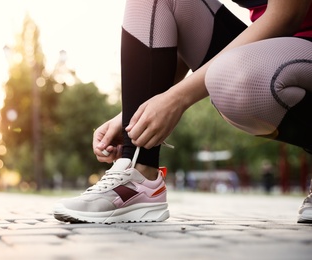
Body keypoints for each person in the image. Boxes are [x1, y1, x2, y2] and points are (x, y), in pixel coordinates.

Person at [54, 0, 312, 224]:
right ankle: (138, 178)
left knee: (234, 81)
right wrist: (132, 115)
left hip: (294, 46)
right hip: (278, 49)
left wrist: (177, 99)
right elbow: (175, 40)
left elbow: (287, 14)